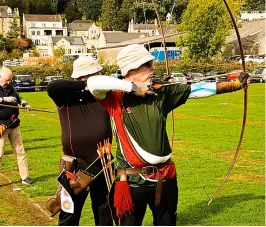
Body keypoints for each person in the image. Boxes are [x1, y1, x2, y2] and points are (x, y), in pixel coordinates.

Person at [86, 44, 250, 226]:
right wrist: (133, 87)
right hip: (132, 181)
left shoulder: (160, 93)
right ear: (131, 69)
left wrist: (235, 85)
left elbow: (195, 90)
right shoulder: (115, 98)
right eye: (147, 65)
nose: (152, 68)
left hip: (165, 179)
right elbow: (93, 83)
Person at [47, 56, 114, 226]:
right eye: (95, 75)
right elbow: (52, 86)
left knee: (104, 211)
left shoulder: (103, 94)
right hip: (74, 165)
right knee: (68, 215)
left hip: (103, 162)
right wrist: (85, 84)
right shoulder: (64, 97)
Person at [0, 66, 34, 191]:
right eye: (7, 80)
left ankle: (25, 177)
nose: (9, 82)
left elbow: (19, 97)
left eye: (10, 80)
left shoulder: (11, 87)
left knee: (20, 152)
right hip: (0, 126)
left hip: (14, 125)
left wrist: (24, 104)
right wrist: (3, 99)